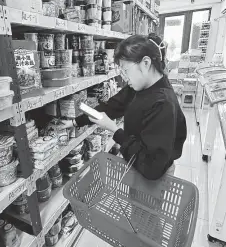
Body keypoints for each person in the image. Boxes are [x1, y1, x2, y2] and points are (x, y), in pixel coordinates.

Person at [61, 33, 187, 180]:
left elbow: (152, 167)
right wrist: (75, 122)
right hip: (138, 165)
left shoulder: (163, 104)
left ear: (145, 63)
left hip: (154, 178)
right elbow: (111, 107)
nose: (124, 78)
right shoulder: (141, 86)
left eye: (126, 71)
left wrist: (115, 130)